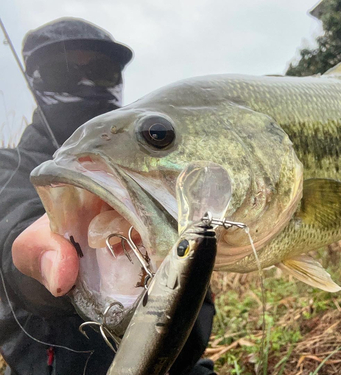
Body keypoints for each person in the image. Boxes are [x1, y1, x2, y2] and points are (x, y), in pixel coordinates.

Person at [0, 18, 216, 375]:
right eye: (60, 71)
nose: (84, 82)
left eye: (101, 71)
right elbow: (12, 231)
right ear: (34, 79)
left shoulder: (165, 157)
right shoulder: (7, 165)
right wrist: (43, 264)